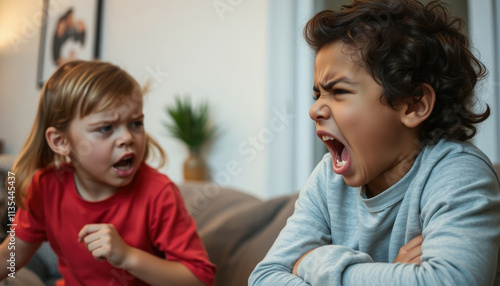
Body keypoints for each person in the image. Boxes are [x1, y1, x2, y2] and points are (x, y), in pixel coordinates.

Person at [249, 0, 500, 285]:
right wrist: (395, 273)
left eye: (339, 91)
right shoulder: (328, 179)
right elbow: (264, 278)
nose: (315, 109)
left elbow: (449, 282)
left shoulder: (459, 173)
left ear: (413, 105)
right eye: (318, 94)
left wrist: (315, 263)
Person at [0, 61, 216, 285]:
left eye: (136, 123)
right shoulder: (45, 188)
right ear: (60, 141)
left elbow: (200, 279)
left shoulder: (159, 194)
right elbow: (11, 257)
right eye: (105, 128)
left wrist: (127, 257)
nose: (127, 138)